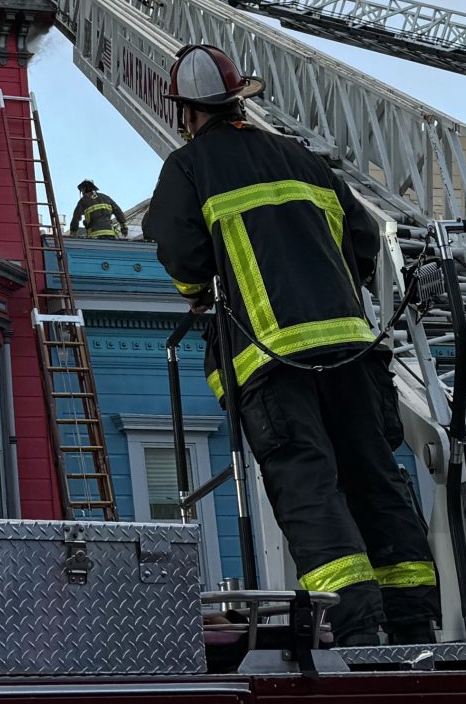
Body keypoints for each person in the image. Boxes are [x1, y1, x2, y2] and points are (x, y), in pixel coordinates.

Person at [146, 42, 439, 648]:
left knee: (308, 487)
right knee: (375, 477)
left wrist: (198, 289)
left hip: (272, 361)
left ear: (185, 111)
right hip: (354, 353)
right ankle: (413, 622)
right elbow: (362, 244)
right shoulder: (304, 160)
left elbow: (183, 256)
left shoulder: (189, 167)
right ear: (235, 99)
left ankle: (357, 629)